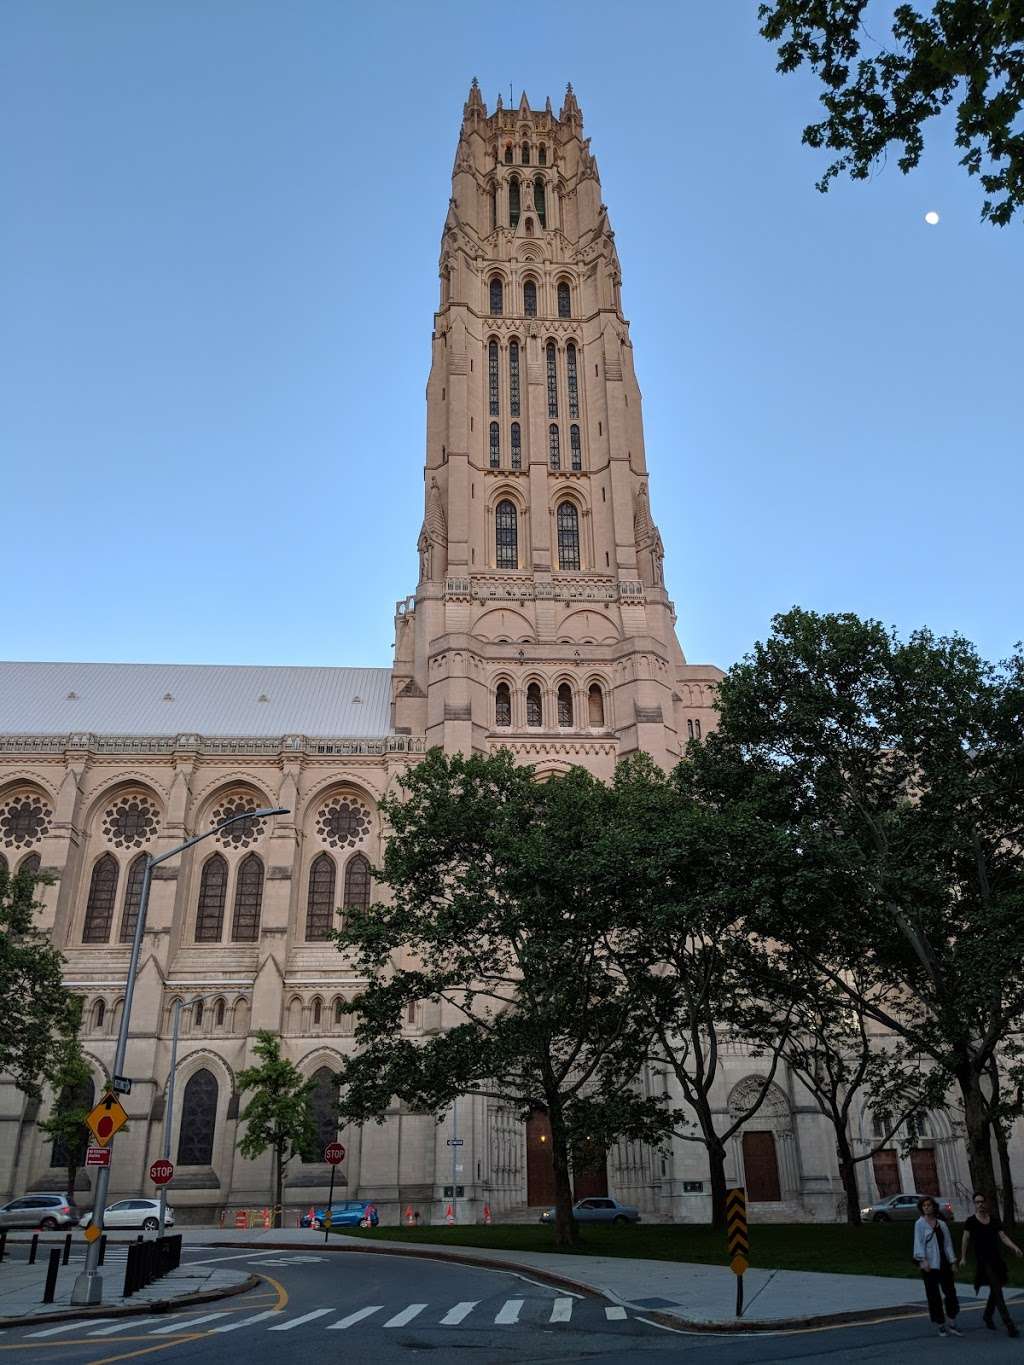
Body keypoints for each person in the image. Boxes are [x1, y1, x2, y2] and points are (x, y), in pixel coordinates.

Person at [961, 1192, 1022, 1337]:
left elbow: (1003, 1236)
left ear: (986, 1203)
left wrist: (1014, 1247)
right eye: (977, 1202)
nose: (980, 1204)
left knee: (996, 1288)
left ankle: (987, 1315)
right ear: (974, 1204)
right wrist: (962, 1257)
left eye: (982, 1201)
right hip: (984, 1261)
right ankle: (1009, 1325)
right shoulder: (971, 1221)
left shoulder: (993, 1220)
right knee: (998, 1292)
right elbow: (965, 1239)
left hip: (996, 1260)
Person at [914, 1197, 962, 1337]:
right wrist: (923, 1260)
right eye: (924, 1205)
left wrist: (953, 1261)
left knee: (950, 1293)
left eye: (929, 1205)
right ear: (921, 1208)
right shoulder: (920, 1224)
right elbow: (918, 1242)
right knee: (933, 1295)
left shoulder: (941, 1224)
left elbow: (947, 1243)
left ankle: (952, 1322)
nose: (927, 1207)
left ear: (934, 1207)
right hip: (930, 1265)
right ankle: (941, 1324)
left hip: (944, 1263)